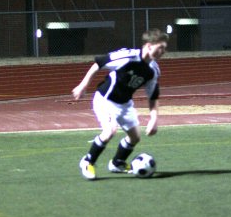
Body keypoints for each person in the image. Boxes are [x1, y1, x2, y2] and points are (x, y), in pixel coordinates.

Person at [72, 29, 169, 180]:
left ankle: (117, 163)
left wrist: (154, 119)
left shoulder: (153, 70)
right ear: (149, 46)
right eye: (160, 47)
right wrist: (83, 85)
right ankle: (87, 161)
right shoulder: (127, 56)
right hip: (105, 99)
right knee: (110, 131)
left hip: (124, 104)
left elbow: (153, 96)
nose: (163, 51)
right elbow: (99, 62)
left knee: (135, 137)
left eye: (164, 48)